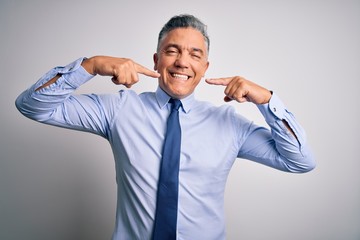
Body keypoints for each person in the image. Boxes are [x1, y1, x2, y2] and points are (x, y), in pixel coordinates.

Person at [16, 14, 315, 240]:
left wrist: (268, 102)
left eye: (195, 54)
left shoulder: (229, 124)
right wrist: (90, 65)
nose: (183, 62)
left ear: (205, 68)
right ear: (157, 61)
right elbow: (31, 105)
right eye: (172, 51)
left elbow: (299, 161)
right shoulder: (119, 109)